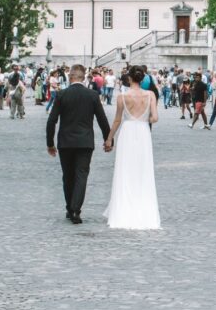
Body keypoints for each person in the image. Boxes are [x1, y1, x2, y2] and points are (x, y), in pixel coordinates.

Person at [45, 64, 111, 225]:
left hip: (65, 142)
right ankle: (76, 209)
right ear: (83, 77)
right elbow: (102, 119)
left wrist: (50, 143)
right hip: (85, 142)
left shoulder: (62, 94)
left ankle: (69, 207)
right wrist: (108, 139)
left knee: (68, 176)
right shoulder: (92, 95)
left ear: (70, 77)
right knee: (82, 175)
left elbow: (52, 120)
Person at [103, 65, 161, 230]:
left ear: (129, 78)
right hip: (143, 132)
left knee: (125, 169)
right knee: (143, 170)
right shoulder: (150, 95)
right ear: (142, 79)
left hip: (127, 132)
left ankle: (123, 208)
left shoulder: (122, 97)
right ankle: (143, 207)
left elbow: (116, 120)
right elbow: (155, 118)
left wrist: (109, 138)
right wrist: (143, 120)